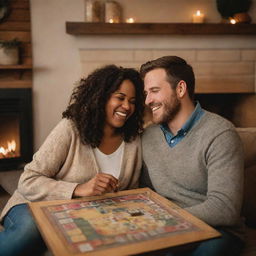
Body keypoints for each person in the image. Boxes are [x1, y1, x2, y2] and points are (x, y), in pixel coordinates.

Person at [0, 64, 145, 256]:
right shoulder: (70, 129)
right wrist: (78, 189)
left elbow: (131, 191)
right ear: (100, 97)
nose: (127, 106)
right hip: (33, 202)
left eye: (132, 101)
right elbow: (28, 180)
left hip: (82, 213)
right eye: (120, 98)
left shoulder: (133, 140)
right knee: (32, 231)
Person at [139, 56, 244, 256]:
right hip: (168, 228)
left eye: (154, 91)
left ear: (180, 89)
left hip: (217, 230)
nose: (147, 101)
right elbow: (146, 193)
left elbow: (225, 208)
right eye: (146, 93)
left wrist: (164, 219)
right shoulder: (148, 136)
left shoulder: (220, 133)